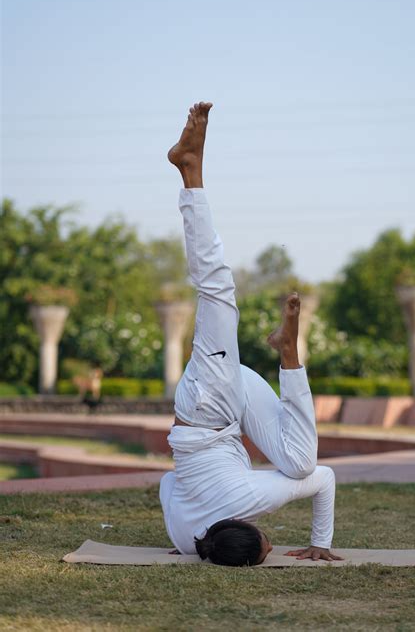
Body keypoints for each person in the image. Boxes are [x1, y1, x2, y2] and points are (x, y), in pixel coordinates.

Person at [159, 102, 341, 567]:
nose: (270, 541)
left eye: (263, 541)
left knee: (218, 291)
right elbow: (166, 484)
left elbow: (326, 479)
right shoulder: (185, 539)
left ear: (246, 525)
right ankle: (287, 354)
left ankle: (190, 172)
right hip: (225, 411)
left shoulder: (247, 499)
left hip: (209, 405)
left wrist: (321, 538)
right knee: (299, 460)